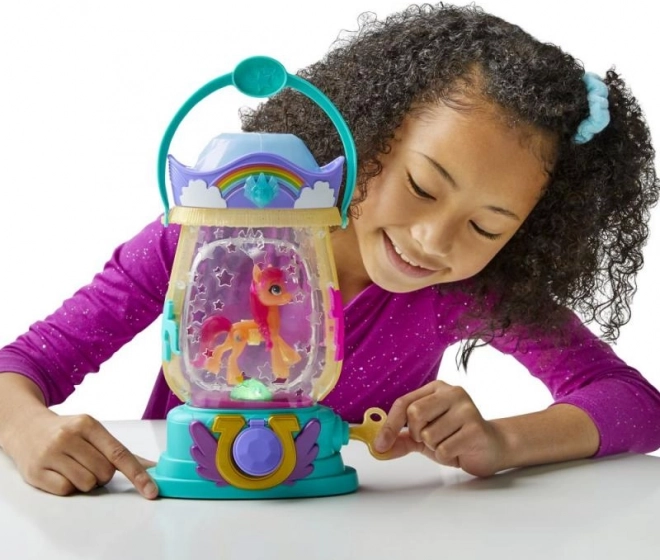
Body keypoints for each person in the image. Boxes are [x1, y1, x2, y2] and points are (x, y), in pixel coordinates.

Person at [0, 3, 658, 500]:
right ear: (368, 137)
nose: (433, 240)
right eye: (422, 186)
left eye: (486, 228)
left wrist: (501, 439)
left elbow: (634, 403)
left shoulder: (464, 290)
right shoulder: (209, 237)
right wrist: (27, 429)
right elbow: (22, 365)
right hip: (183, 517)